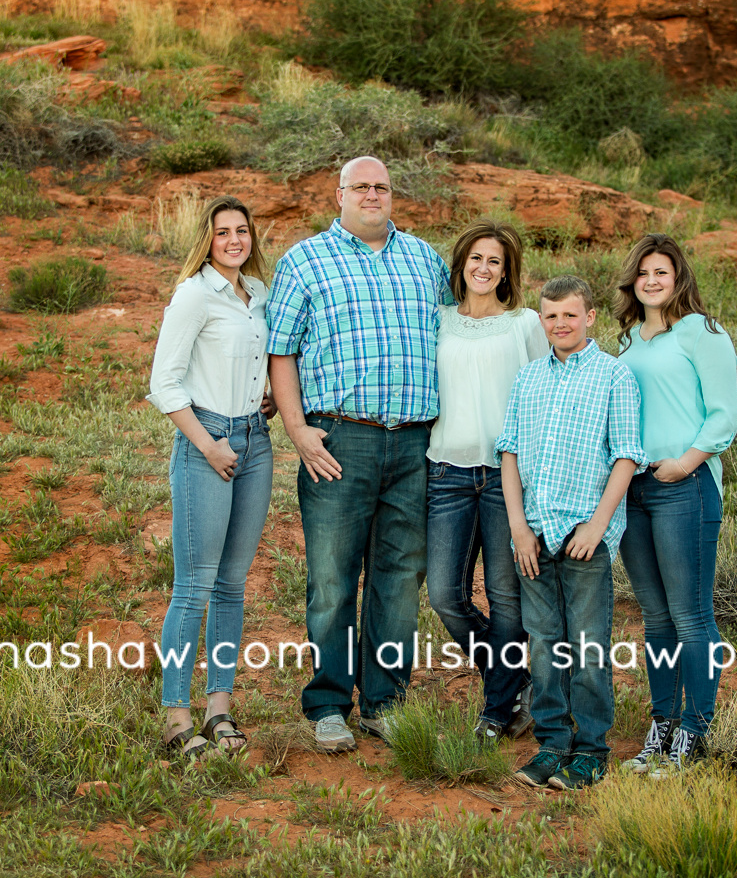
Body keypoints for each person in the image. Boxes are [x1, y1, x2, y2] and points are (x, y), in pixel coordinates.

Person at [266, 156, 452, 752]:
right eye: (361, 186)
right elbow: (282, 352)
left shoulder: (427, 260)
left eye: (382, 187)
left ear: (393, 195)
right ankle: (328, 704)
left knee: (400, 578)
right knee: (332, 578)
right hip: (340, 440)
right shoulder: (304, 261)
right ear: (339, 194)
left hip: (419, 442)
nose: (372, 195)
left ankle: (384, 702)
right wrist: (298, 430)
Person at [498, 275, 647, 790]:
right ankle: (552, 742)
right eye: (550, 316)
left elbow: (627, 454)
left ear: (590, 318)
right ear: (541, 321)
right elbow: (510, 452)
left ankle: (590, 750)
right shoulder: (529, 378)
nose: (560, 324)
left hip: (586, 534)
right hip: (535, 534)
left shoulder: (613, 376)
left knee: (586, 646)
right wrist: (518, 526)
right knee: (542, 643)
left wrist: (599, 524)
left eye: (569, 315)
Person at [147, 195, 274, 758]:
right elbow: (165, 383)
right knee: (194, 584)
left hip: (255, 439)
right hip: (208, 441)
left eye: (241, 231)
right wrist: (207, 443)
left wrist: (262, 398)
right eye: (222, 232)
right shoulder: (194, 294)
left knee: (232, 586)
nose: (233, 240)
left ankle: (218, 709)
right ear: (208, 238)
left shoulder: (258, 296)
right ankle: (178, 716)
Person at [614, 233, 737, 774]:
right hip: (635, 488)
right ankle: (662, 724)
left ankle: (696, 730)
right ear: (632, 280)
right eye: (644, 272)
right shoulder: (627, 343)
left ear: (679, 276)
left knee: (691, 615)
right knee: (656, 618)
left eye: (662, 271)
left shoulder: (702, 332)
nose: (652, 280)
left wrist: (685, 463)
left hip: (684, 484)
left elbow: (723, 414)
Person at [426, 220, 548, 743]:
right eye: (475, 258)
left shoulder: (524, 324)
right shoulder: (438, 322)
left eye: (494, 261)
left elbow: (548, 396)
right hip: (446, 472)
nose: (483, 268)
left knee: (506, 595)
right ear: (461, 265)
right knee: (444, 593)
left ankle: (496, 711)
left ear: (507, 271)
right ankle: (514, 679)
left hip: (507, 476)